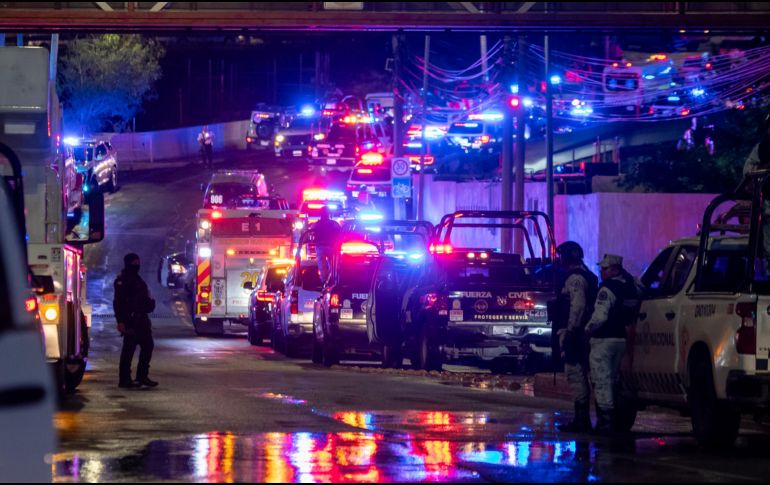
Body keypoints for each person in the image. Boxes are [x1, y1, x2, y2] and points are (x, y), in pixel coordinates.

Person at [583, 254, 642, 434]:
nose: (602, 272)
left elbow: (600, 317)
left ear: (615, 269)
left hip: (603, 340)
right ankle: (616, 420)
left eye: (605, 268)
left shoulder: (607, 289)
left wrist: (586, 331)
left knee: (601, 380)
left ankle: (605, 422)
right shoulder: (631, 286)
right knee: (614, 379)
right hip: (621, 340)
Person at [553, 241, 599, 433]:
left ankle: (582, 420)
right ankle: (583, 418)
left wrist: (571, 331)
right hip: (583, 333)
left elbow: (577, 306)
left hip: (576, 334)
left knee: (575, 374)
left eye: (561, 256)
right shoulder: (586, 275)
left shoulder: (575, 279)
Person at [114, 253, 158, 389]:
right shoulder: (122, 281)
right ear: (128, 263)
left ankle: (142, 376)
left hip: (142, 319)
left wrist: (150, 304)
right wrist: (120, 321)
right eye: (134, 263)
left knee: (148, 346)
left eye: (138, 262)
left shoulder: (138, 279)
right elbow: (118, 303)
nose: (136, 265)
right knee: (128, 351)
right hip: (130, 320)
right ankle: (125, 379)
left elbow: (144, 296)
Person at [310, 206, 341, 284]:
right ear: (329, 214)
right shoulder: (334, 224)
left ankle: (325, 282)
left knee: (322, 267)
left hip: (321, 247)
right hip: (332, 247)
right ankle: (333, 281)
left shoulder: (316, 224)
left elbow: (311, 234)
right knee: (333, 266)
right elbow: (340, 234)